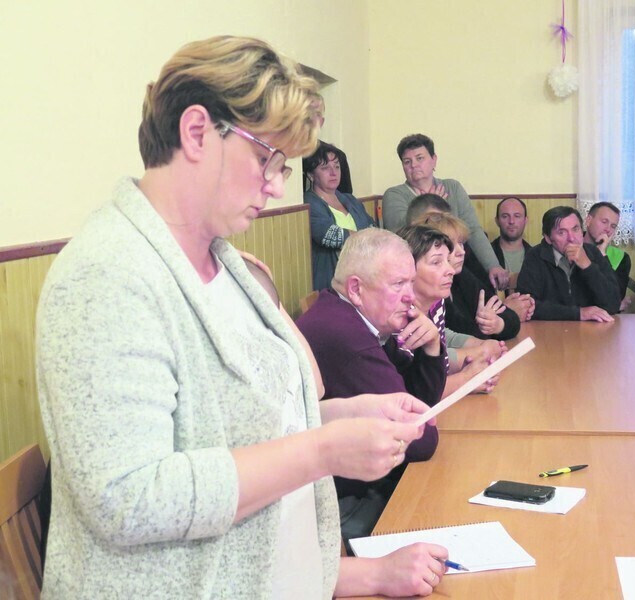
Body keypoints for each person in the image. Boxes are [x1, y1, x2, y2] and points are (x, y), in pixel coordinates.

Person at [35, 36, 447, 598]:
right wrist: (324, 450)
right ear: (197, 131)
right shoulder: (106, 275)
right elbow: (127, 498)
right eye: (266, 158)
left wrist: (347, 414)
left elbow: (245, 429)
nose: (276, 185)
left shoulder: (227, 263)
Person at [296, 229, 446, 543]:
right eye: (398, 284)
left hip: (349, 486)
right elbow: (420, 439)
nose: (411, 296)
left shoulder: (354, 317)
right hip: (334, 504)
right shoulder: (345, 336)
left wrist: (431, 347)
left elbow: (419, 403)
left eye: (411, 282)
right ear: (356, 289)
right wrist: (420, 418)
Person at [382, 133, 510, 290]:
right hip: (421, 273)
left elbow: (473, 230)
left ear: (434, 160)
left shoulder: (452, 187)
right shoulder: (394, 195)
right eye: (407, 161)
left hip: (460, 266)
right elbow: (402, 236)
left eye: (419, 158)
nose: (413, 165)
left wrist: (493, 265)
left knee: (480, 284)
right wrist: (431, 205)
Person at [397, 225, 505, 397]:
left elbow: (436, 367)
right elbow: (409, 392)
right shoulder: (397, 316)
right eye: (436, 262)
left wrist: (473, 366)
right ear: (408, 270)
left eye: (448, 260)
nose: (450, 270)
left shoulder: (436, 301)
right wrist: (466, 379)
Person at [419, 212, 527, 339]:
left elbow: (511, 319)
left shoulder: (462, 276)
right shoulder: (431, 288)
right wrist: (483, 327)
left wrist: (498, 324)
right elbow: (455, 337)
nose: (462, 252)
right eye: (452, 245)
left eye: (461, 243)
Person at [517, 206, 621, 322]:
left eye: (575, 229)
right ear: (548, 238)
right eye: (561, 232)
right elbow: (526, 306)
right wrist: (578, 313)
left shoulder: (593, 253)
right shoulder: (535, 256)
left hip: (590, 329)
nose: (571, 238)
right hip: (548, 329)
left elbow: (613, 305)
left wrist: (587, 266)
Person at [303, 141, 375, 290]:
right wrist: (367, 238)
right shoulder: (309, 201)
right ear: (310, 175)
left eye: (336, 166)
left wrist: (371, 236)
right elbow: (331, 236)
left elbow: (373, 227)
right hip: (332, 283)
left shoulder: (350, 199)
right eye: (325, 168)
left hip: (364, 278)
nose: (333, 172)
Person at [583, 201, 632, 311]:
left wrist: (602, 254)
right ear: (588, 220)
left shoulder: (621, 258)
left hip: (605, 317)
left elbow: (615, 299)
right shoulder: (571, 248)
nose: (608, 229)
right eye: (604, 222)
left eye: (613, 226)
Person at [491, 196, 532, 290]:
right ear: (497, 221)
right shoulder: (485, 257)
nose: (511, 221)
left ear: (525, 220)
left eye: (517, 216)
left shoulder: (536, 257)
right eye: (505, 216)